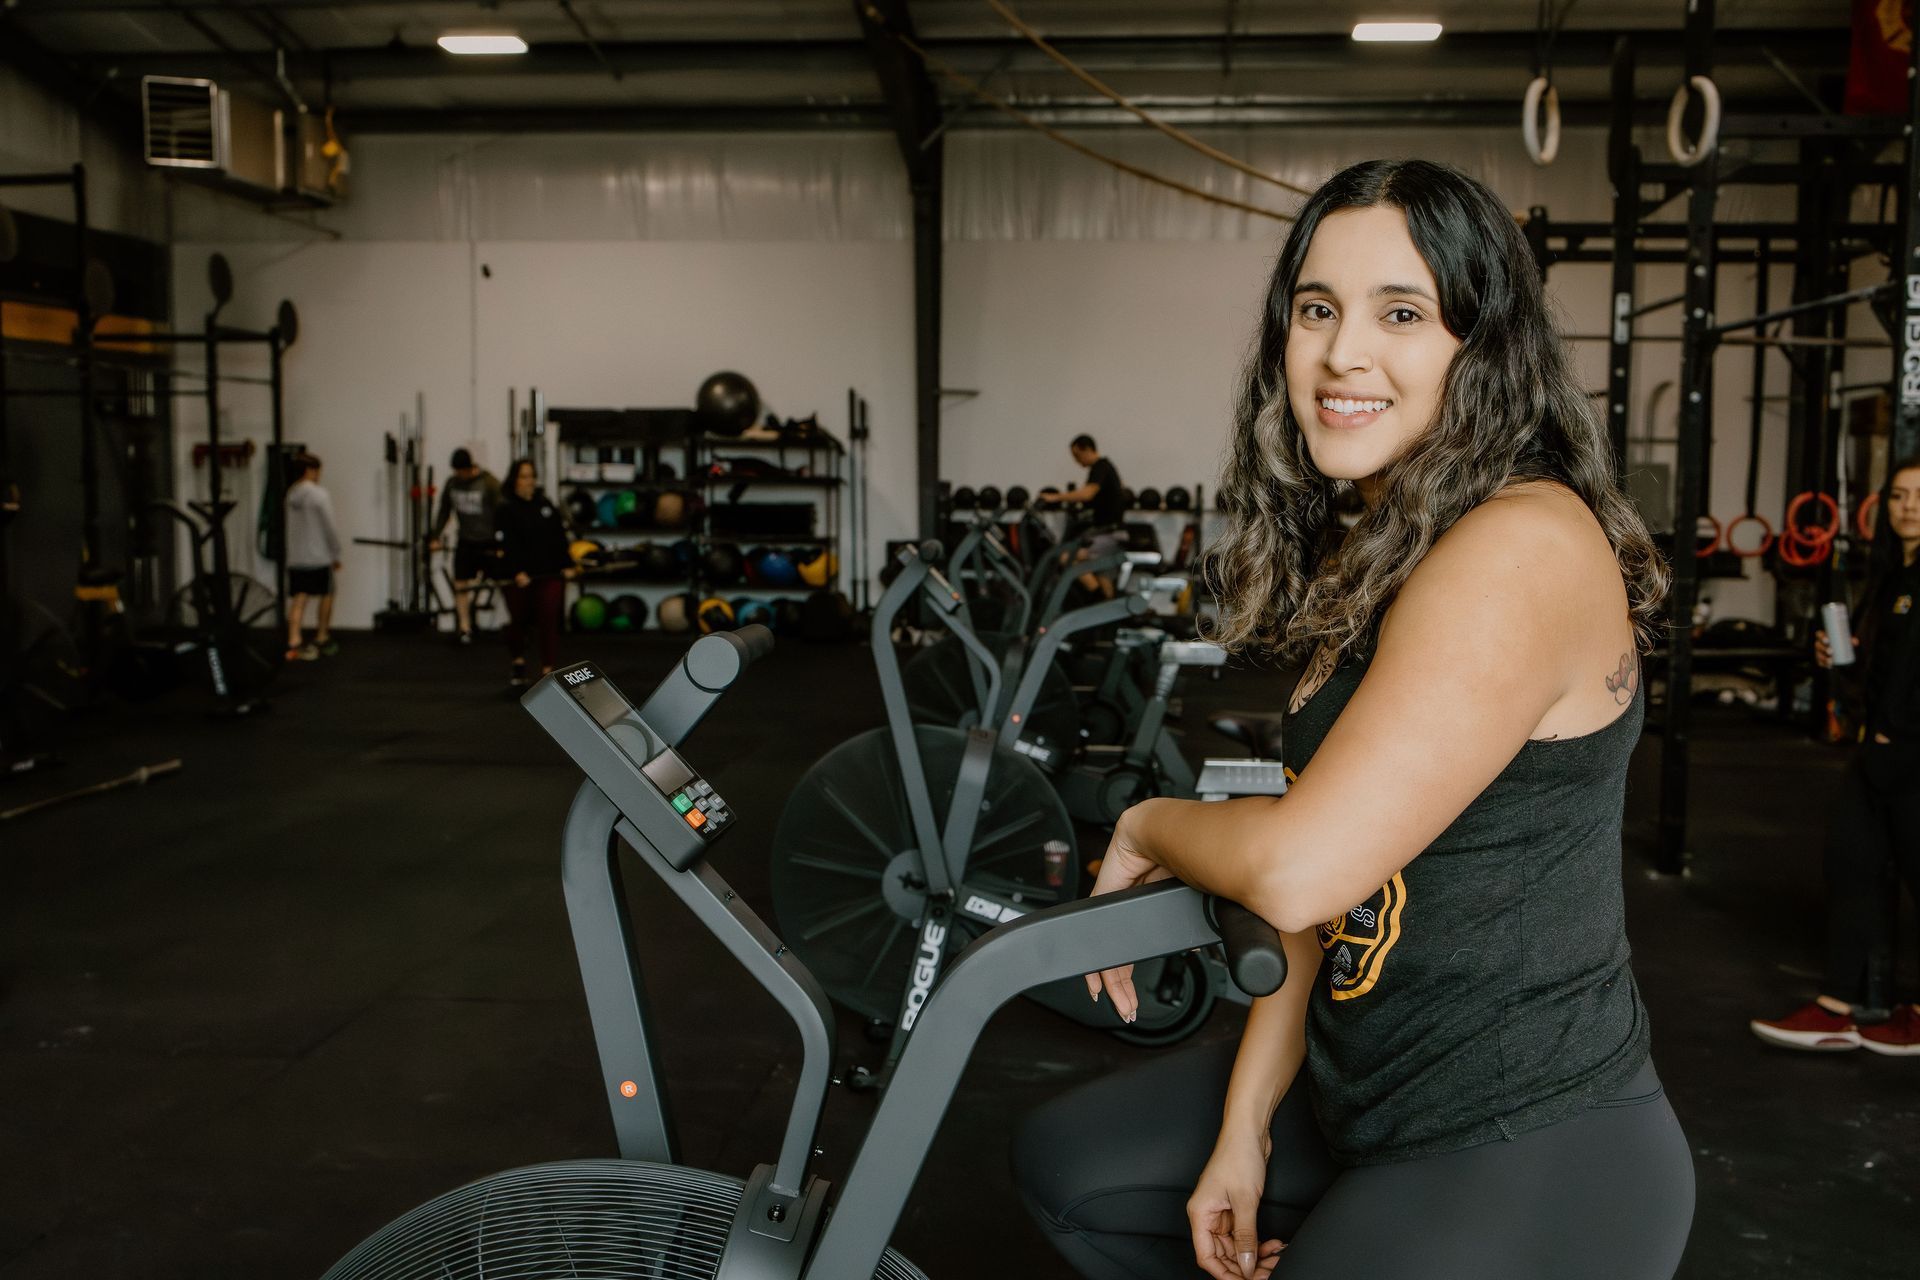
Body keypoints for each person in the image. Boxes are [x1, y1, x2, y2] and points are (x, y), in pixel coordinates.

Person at [1010, 159, 1694, 1280]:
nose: (1341, 354)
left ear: (1485, 346)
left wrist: (1146, 824)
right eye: (1317, 308)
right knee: (1073, 1162)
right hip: (1360, 1090)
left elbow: (1298, 869)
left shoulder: (1520, 542)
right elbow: (1327, 903)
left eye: (1403, 313)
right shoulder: (1389, 545)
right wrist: (1246, 1125)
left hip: (1528, 1139)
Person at [1750, 458, 1920, 1055]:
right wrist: (1839, 658)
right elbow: (1881, 671)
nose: (1908, 506)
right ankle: (1837, 1007)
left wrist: (1897, 731)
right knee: (1851, 869)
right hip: (1874, 754)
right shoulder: (1890, 577)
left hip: (1910, 757)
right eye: (1899, 495)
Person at [494, 458, 574, 686]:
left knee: (549, 617)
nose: (529, 481)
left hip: (548, 574)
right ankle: (518, 661)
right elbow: (506, 544)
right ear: (514, 480)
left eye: (531, 476)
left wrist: (566, 564)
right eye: (524, 476)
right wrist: (517, 571)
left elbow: (559, 537)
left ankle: (548, 670)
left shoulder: (545, 505)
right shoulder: (506, 509)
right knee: (518, 621)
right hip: (518, 577)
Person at [1034, 434, 1126, 598]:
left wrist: (1055, 497)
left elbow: (1087, 494)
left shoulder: (1101, 467)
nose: (1077, 461)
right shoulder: (1104, 467)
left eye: (1077, 456)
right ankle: (1107, 613)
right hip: (1105, 533)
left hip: (1108, 535)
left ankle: (1095, 600)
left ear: (1087, 449)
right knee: (1103, 576)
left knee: (1064, 558)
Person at [428, 447, 503, 644]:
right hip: (466, 542)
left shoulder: (489, 483)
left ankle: (516, 626)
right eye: (456, 471)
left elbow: (503, 512)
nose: (459, 475)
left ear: (470, 468)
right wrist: (435, 537)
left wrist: (505, 542)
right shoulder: (452, 484)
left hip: (489, 541)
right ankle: (464, 627)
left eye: (462, 471)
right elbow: (445, 511)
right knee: (460, 583)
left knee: (506, 582)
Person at [284, 453, 342, 661]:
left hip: (296, 557)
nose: (319, 475)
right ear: (309, 471)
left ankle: (294, 642)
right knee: (328, 594)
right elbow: (330, 527)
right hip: (318, 557)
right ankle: (322, 636)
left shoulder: (291, 494)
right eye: (317, 470)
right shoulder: (319, 495)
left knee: (299, 599)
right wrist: (336, 553)